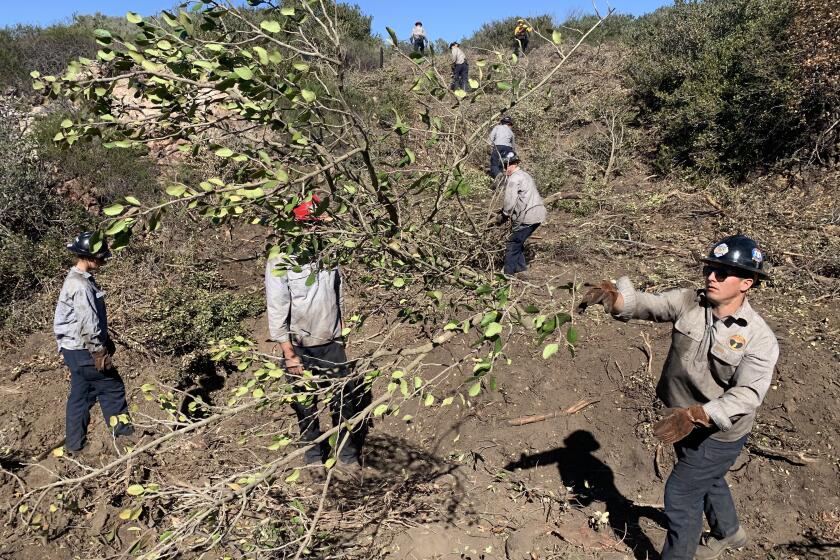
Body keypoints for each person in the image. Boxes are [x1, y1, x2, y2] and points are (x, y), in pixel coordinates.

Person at [578, 234, 778, 560]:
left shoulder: (758, 337)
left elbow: (747, 394)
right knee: (702, 475)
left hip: (720, 432)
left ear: (747, 282)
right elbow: (652, 305)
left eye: (723, 272)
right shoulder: (690, 301)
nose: (712, 277)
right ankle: (730, 533)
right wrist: (617, 300)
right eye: (711, 268)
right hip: (681, 417)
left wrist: (698, 415)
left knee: (682, 492)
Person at [265, 197, 369, 470]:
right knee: (305, 405)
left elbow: (338, 295)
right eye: (309, 225)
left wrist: (342, 332)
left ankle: (346, 455)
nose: (314, 231)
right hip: (299, 346)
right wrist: (288, 354)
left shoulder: (329, 253)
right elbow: (277, 307)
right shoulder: (281, 259)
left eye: (318, 225)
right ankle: (313, 457)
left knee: (343, 400)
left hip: (331, 341)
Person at [54, 232, 133, 455]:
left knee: (81, 395)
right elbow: (88, 323)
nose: (104, 259)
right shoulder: (80, 285)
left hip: (72, 350)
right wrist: (99, 351)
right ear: (91, 256)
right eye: (101, 255)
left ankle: (74, 445)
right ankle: (126, 440)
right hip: (84, 350)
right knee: (112, 389)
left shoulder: (76, 278)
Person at [494, 152, 546, 275]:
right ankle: (521, 269)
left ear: (511, 165)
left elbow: (509, 201)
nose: (504, 169)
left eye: (505, 166)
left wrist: (504, 215)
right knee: (518, 242)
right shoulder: (525, 175)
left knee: (512, 244)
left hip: (528, 217)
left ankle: (508, 274)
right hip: (538, 214)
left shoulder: (514, 179)